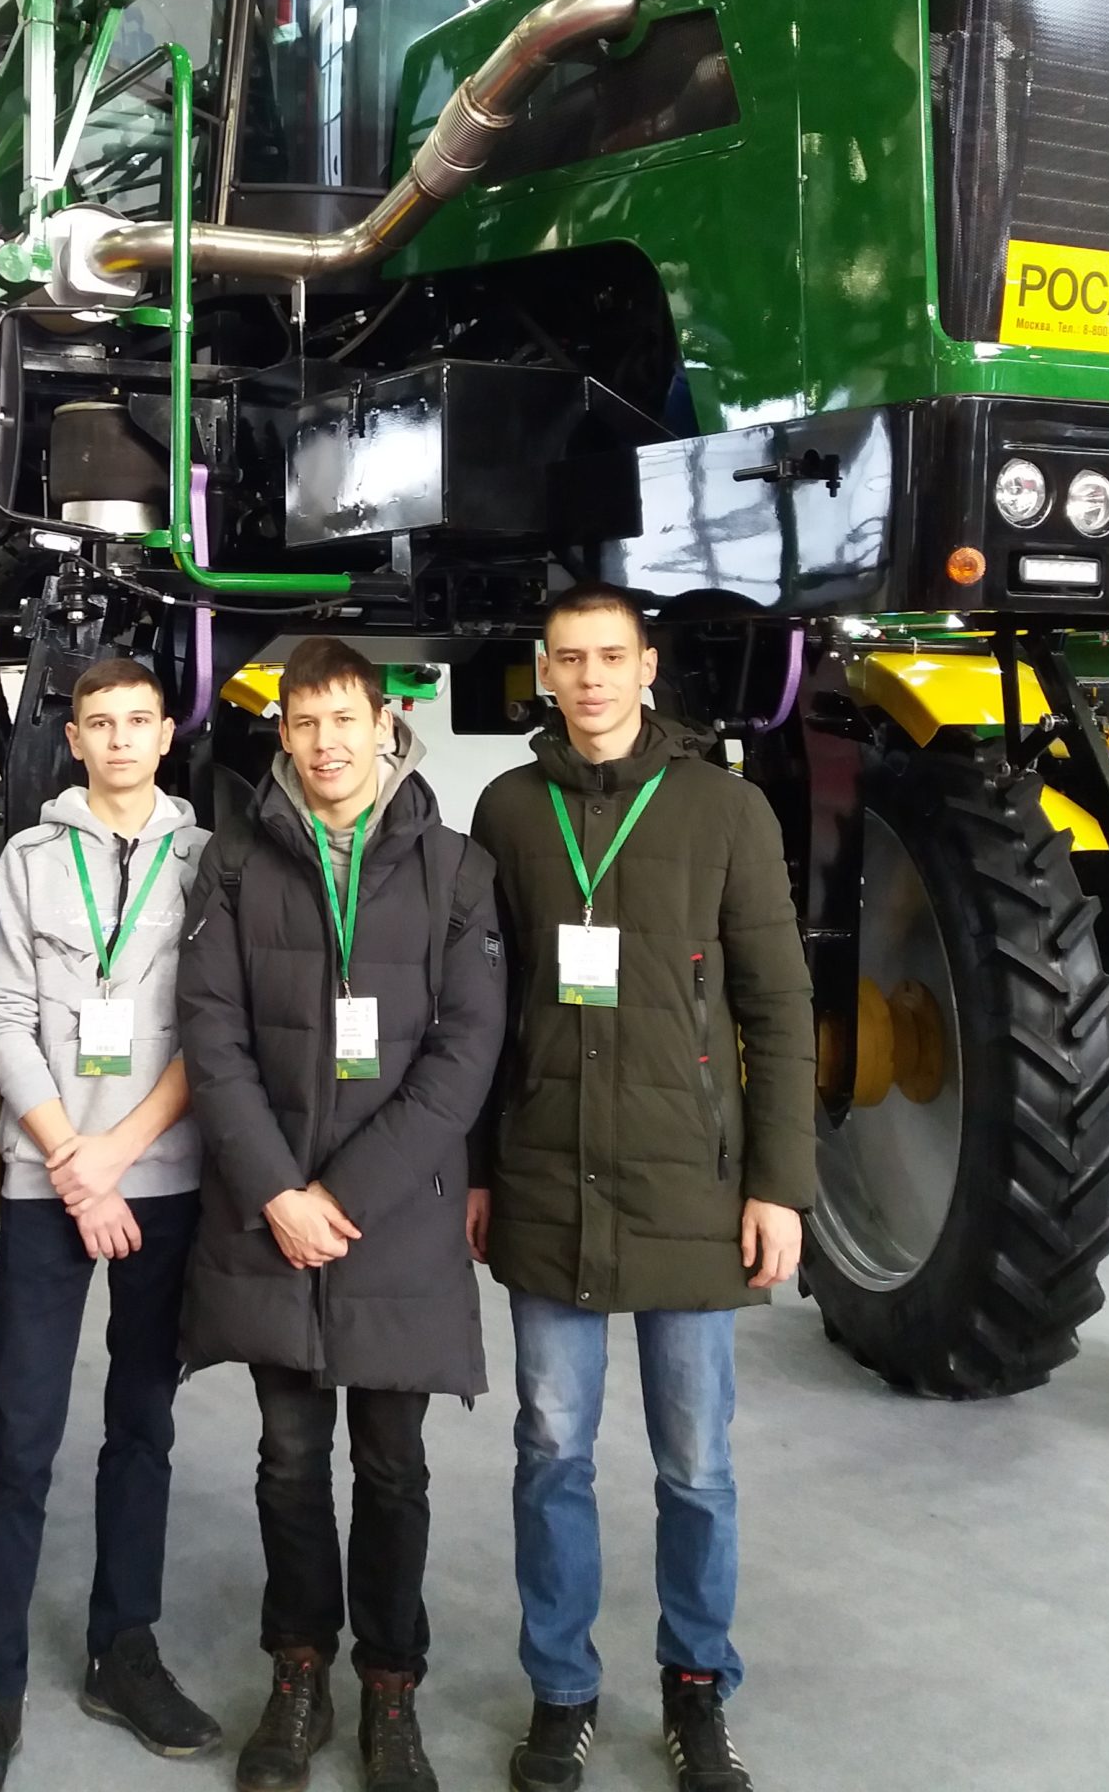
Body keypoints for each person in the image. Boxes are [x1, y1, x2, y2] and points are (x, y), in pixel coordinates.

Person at [466, 584, 817, 1792]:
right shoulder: (509, 809)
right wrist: (480, 1168)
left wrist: (779, 1184)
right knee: (551, 1450)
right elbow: (483, 1010)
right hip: (547, 1173)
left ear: (647, 666)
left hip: (692, 1186)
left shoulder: (725, 809)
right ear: (545, 672)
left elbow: (778, 1007)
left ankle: (697, 1686)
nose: (592, 677)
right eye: (570, 658)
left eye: (611, 655)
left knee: (696, 1465)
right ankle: (561, 1689)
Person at [178, 636, 506, 1792]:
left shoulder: (454, 868)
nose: (326, 743)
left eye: (344, 720)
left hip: (393, 1221)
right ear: (284, 734)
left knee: (394, 1463)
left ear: (384, 727)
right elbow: (210, 1032)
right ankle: (300, 1669)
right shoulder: (235, 860)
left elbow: (465, 1052)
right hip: (271, 1215)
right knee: (286, 1457)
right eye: (305, 722)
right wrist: (278, 1190)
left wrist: (341, 1196)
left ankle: (391, 1686)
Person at [0, 656, 219, 1792]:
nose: (119, 739)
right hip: (50, 1183)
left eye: (139, 720)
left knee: (142, 1425)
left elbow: (215, 1027)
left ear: (166, 734)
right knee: (20, 1437)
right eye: (99, 722)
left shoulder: (207, 862)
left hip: (161, 1177)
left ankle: (123, 1651)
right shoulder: (28, 860)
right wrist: (71, 1159)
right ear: (76, 737)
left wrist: (118, 1156)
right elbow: (2, 1014)